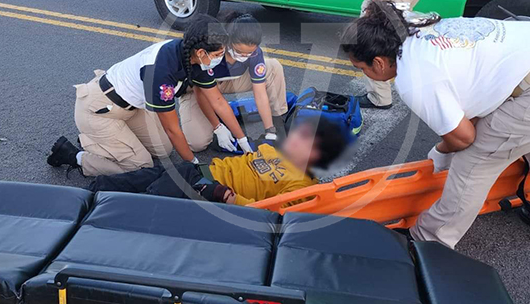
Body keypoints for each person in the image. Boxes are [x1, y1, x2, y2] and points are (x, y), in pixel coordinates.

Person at [341, 1, 530, 248]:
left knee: (473, 162)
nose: (363, 73)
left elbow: (464, 138)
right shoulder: (416, 30)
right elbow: (474, 110)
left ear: (379, 62)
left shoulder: (414, 77)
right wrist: (445, 149)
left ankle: (429, 239)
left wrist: (440, 152)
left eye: (361, 67)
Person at [47, 15, 254, 176]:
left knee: (163, 150)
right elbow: (173, 129)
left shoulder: (193, 56)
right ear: (201, 52)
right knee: (141, 166)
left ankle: (109, 143)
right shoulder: (161, 72)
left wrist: (243, 142)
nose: (221, 58)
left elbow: (218, 101)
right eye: (218, 55)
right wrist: (194, 165)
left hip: (132, 108)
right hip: (100, 110)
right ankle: (80, 156)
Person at [87, 116, 350, 206]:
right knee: (146, 176)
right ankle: (90, 193)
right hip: (201, 171)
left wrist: (230, 198)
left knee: (151, 196)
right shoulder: (278, 152)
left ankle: (111, 214)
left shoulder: (303, 187)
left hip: (211, 190)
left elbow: (271, 214)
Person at [179, 13, 288, 152]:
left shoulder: (254, 53)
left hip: (228, 82)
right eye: (239, 52)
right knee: (197, 143)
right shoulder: (212, 51)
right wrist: (218, 127)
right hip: (199, 89)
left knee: (273, 67)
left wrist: (270, 130)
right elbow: (201, 92)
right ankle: (218, 117)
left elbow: (260, 93)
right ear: (228, 42)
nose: (244, 56)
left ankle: (278, 121)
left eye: (249, 53)